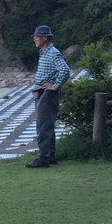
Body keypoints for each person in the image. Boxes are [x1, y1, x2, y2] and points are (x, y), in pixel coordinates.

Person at [26, 24, 70, 169]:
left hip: (47, 92)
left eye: (37, 36)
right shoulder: (44, 52)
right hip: (42, 90)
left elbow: (65, 70)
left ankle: (43, 158)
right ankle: (50, 155)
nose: (34, 39)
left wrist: (55, 85)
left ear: (45, 38)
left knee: (43, 125)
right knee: (47, 125)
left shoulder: (52, 52)